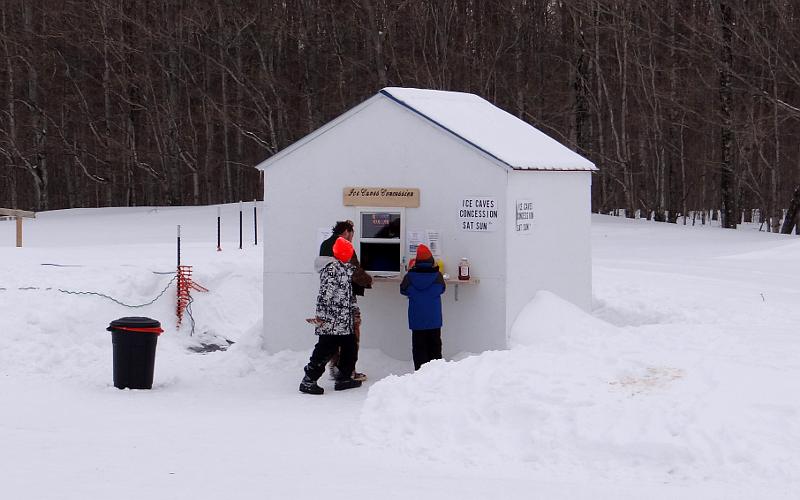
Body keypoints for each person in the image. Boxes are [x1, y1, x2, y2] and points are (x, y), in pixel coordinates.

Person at [300, 237, 363, 395]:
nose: (350, 255)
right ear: (342, 254)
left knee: (351, 348)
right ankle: (309, 380)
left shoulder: (345, 269)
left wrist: (355, 312)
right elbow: (324, 295)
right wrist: (321, 316)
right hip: (332, 321)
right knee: (324, 350)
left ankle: (344, 377)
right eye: (349, 253)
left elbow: (349, 296)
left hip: (344, 320)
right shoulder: (332, 270)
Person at [315, 220, 372, 381]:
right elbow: (354, 271)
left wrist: (321, 313)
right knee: (351, 338)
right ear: (347, 231)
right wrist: (368, 280)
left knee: (332, 339)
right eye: (352, 234)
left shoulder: (325, 244)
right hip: (345, 302)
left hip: (332, 304)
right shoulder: (343, 246)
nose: (352, 238)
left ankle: (335, 367)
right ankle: (347, 372)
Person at [400, 244, 446, 371]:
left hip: (417, 320)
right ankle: (436, 375)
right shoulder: (438, 276)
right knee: (435, 348)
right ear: (431, 260)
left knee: (419, 349)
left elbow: (403, 290)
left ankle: (420, 376)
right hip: (434, 320)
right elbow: (442, 289)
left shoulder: (409, 277)